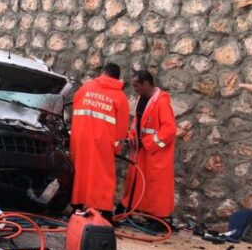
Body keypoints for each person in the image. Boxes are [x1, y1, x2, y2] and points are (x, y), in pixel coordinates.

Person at [69, 63, 130, 221]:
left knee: (80, 173)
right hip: (103, 141)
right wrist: (117, 148)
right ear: (117, 77)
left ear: (103, 72)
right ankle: (105, 211)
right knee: (103, 177)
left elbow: (75, 106)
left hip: (80, 138)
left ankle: (76, 206)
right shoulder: (120, 97)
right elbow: (122, 126)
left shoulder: (86, 87)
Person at [122, 70, 177, 221]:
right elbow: (137, 123)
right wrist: (132, 135)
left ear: (146, 84)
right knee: (139, 184)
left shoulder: (161, 102)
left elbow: (170, 130)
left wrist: (148, 143)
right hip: (143, 152)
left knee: (155, 188)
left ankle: (158, 218)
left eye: (136, 85)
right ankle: (136, 212)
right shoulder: (143, 99)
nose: (135, 89)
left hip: (154, 154)